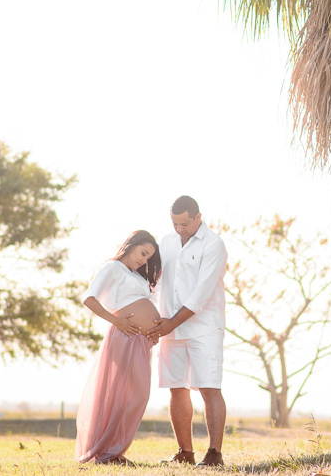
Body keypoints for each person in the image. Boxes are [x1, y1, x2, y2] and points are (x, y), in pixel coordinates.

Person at [146, 195, 229, 467]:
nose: (179, 229)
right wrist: (155, 320)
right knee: (176, 388)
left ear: (197, 217)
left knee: (208, 387)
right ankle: (185, 452)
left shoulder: (214, 244)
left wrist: (170, 323)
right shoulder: (166, 241)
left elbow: (201, 295)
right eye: (175, 223)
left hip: (204, 328)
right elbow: (156, 282)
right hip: (170, 327)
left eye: (184, 223)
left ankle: (214, 453)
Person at [74, 230, 162, 465]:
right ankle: (108, 452)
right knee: (122, 395)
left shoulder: (138, 276)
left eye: (148, 257)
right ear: (131, 245)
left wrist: (152, 331)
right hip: (124, 336)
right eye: (143, 253)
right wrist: (118, 322)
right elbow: (89, 299)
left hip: (140, 342)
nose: (144, 260)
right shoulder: (112, 268)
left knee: (136, 395)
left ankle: (113, 451)